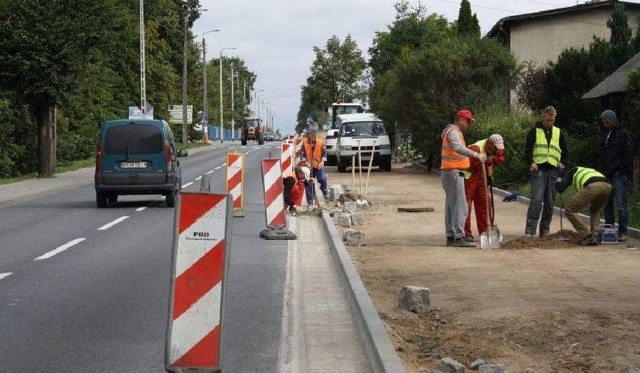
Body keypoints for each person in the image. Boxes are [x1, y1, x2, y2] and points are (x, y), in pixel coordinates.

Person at [440, 109, 487, 247]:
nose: (468, 125)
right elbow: (457, 147)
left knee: (451, 206)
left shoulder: (453, 131)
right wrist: (476, 155)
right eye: (467, 121)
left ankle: (451, 236)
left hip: (450, 172)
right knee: (460, 206)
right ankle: (459, 237)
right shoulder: (454, 132)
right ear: (461, 119)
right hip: (453, 172)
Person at [523, 106, 569, 238]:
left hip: (553, 170)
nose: (550, 122)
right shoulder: (534, 131)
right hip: (539, 170)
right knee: (536, 200)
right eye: (548, 120)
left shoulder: (558, 132)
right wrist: (530, 162)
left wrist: (563, 163)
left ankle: (545, 230)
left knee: (550, 202)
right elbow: (527, 149)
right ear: (544, 117)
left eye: (552, 120)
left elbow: (565, 150)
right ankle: (530, 231)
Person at [597, 110, 633, 242]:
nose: (605, 124)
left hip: (618, 174)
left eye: (607, 122)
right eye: (603, 122)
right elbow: (602, 154)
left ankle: (623, 231)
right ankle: (609, 229)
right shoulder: (606, 134)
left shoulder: (623, 134)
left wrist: (620, 170)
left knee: (621, 203)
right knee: (607, 204)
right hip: (606, 174)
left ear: (612, 120)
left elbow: (628, 154)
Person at [464, 134, 506, 242]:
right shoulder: (475, 148)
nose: (497, 150)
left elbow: (500, 158)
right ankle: (466, 234)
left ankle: (485, 232)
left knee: (485, 204)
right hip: (469, 178)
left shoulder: (497, 148)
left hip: (482, 179)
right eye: (496, 148)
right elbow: (466, 164)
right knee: (466, 206)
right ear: (490, 143)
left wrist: (492, 159)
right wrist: (481, 160)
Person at [556, 166, 612, 246]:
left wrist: (557, 180)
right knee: (595, 209)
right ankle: (595, 235)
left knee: (569, 210)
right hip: (608, 186)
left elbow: (560, 189)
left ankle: (586, 235)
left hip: (593, 187)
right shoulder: (587, 170)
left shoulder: (571, 172)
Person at [300, 122, 330, 201]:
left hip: (318, 165)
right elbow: (302, 155)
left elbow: (324, 154)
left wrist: (322, 162)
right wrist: (305, 162)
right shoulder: (305, 143)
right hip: (308, 167)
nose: (312, 135)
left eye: (314, 134)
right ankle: (310, 201)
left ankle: (324, 190)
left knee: (323, 178)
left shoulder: (320, 142)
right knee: (309, 183)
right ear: (308, 134)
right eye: (311, 134)